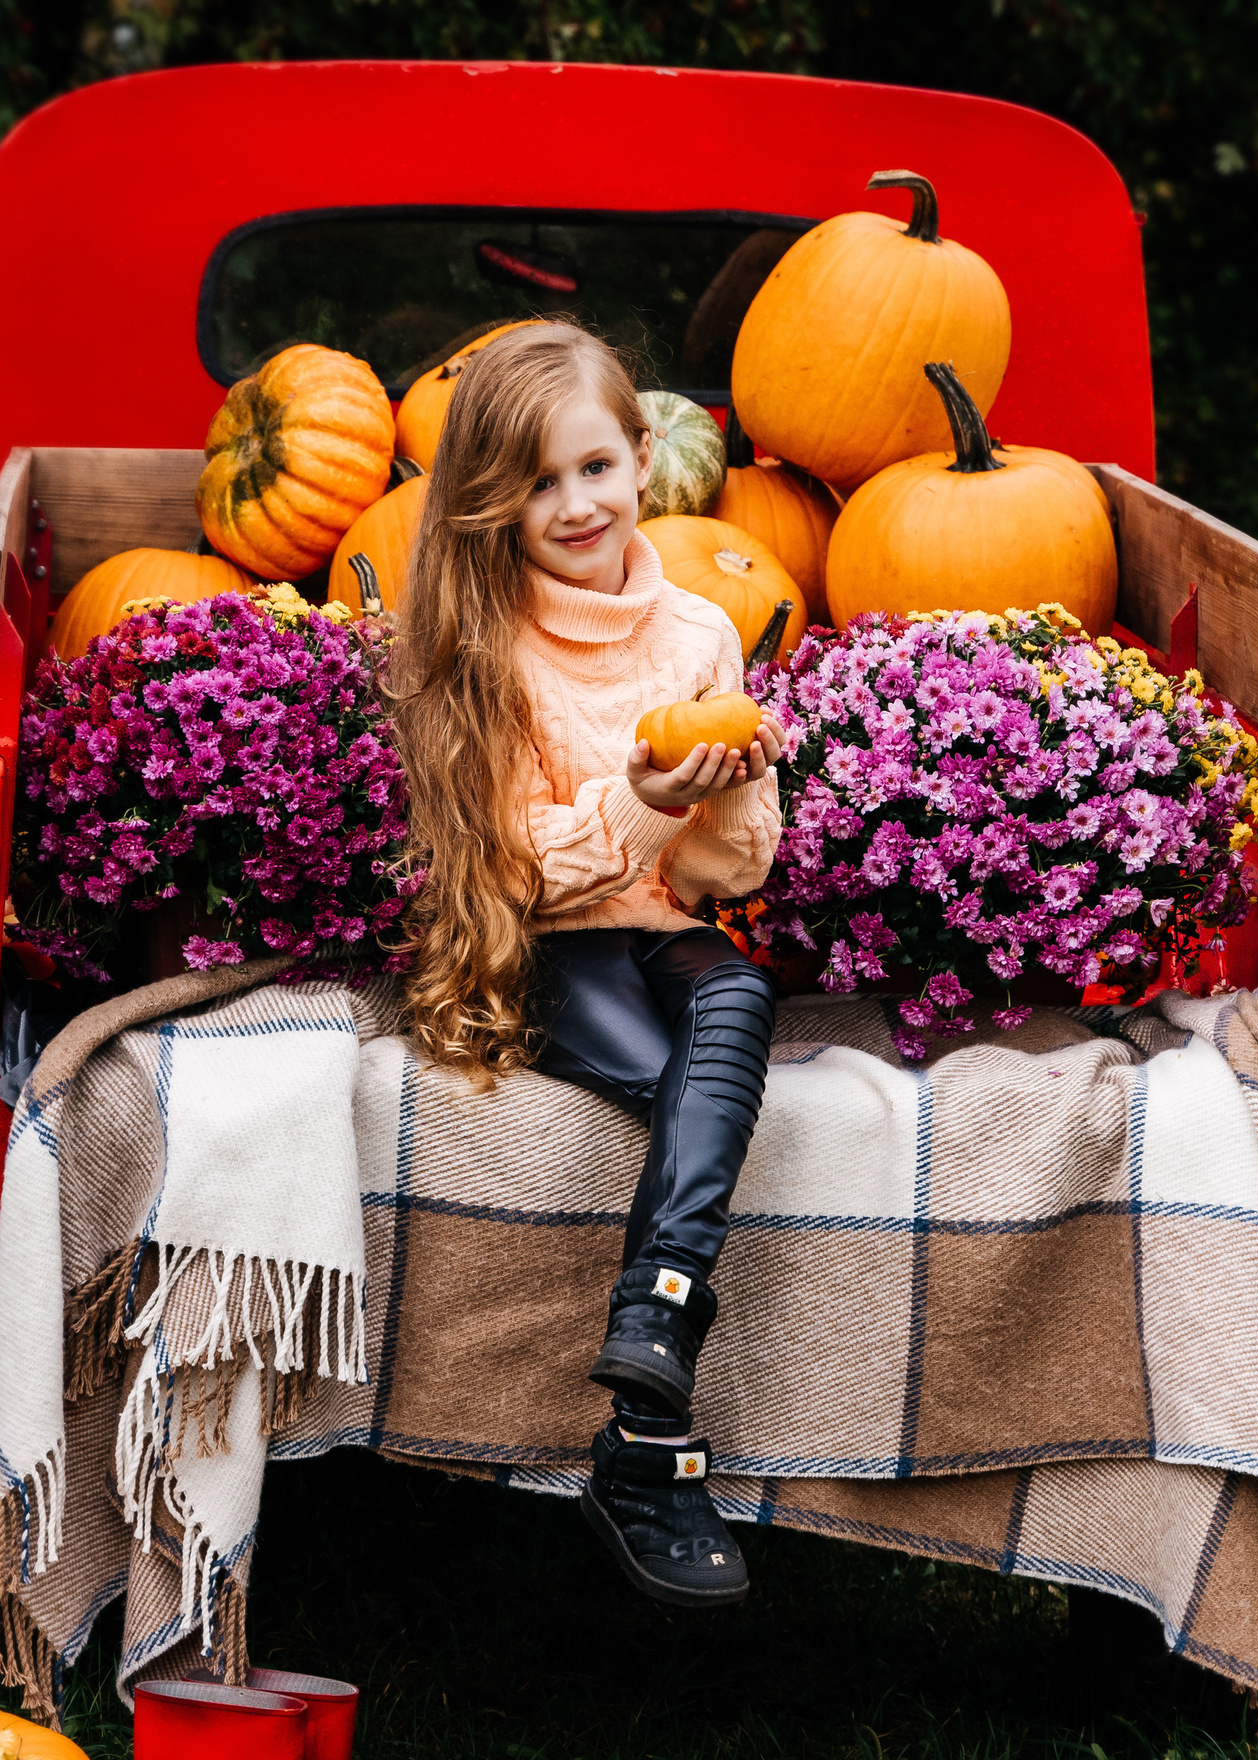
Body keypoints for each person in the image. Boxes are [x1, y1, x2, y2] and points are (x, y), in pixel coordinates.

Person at [385, 324, 785, 1608]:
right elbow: (512, 869)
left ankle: (654, 1331)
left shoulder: (701, 633)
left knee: (736, 987)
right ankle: (651, 1441)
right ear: (494, 498)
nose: (575, 505)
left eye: (596, 466)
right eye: (539, 482)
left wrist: (720, 799)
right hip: (544, 944)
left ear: (642, 460)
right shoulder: (483, 641)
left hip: (668, 925)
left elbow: (732, 875)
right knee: (687, 1076)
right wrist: (642, 798)